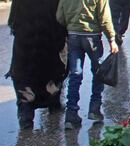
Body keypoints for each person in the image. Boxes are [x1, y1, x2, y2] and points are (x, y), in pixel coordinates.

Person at [57, 0, 119, 129]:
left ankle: (71, 114)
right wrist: (112, 39)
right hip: (93, 36)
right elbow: (104, 18)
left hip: (73, 36)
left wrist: (72, 25)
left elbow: (60, 17)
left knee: (75, 74)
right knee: (98, 72)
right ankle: (94, 109)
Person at [7, 0, 67, 129]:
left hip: (25, 40)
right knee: (52, 73)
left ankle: (26, 114)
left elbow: (13, 19)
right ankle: (53, 103)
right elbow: (61, 17)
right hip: (49, 38)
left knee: (25, 76)